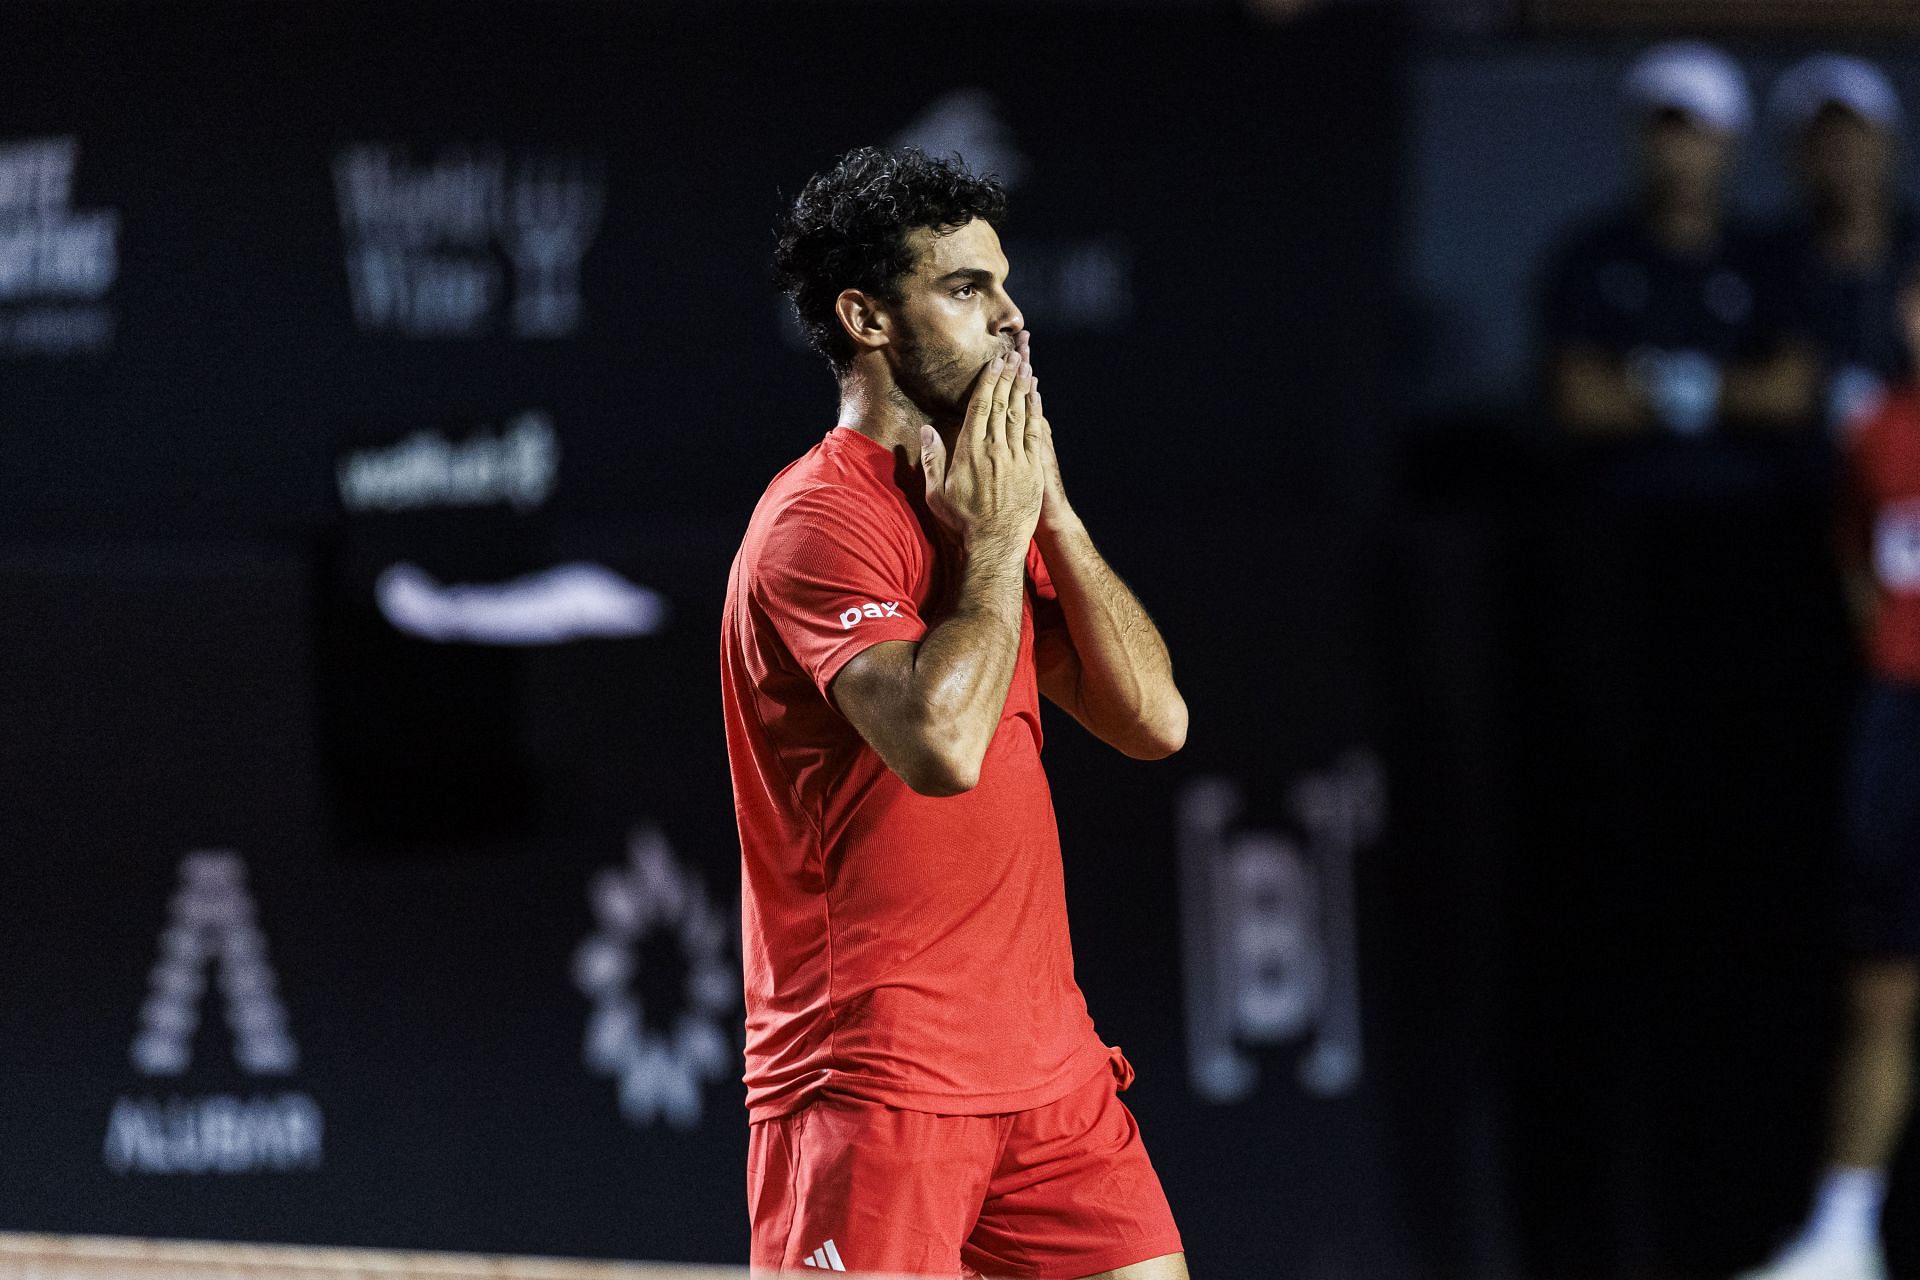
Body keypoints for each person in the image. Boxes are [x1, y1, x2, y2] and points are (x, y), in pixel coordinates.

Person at [720, 146, 1190, 1280]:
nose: (1012, 318)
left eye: (1005, 283)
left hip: (1051, 1073)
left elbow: (1154, 721)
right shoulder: (817, 523)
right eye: (968, 288)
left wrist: (1052, 516)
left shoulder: (987, 495)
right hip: (875, 1082)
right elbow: (941, 744)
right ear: (866, 318)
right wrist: (991, 547)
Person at [1736, 264, 1920, 1280]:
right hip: (1896, 722)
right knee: (1882, 984)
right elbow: (1857, 573)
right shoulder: (1878, 432)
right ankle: (1844, 1230)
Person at [1542, 41, 1817, 442]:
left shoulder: (1769, 258)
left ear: (1730, 142)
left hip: (1746, 493)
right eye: (1661, 132)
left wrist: (1659, 390)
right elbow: (1577, 398)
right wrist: (1720, 392)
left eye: (1695, 133)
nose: (1676, 152)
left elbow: (1790, 392)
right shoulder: (1590, 255)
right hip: (1620, 489)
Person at [1763, 54, 1916, 435]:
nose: (1840, 152)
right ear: (1796, 155)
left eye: (1854, 134)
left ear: (1889, 144)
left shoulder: (1915, 250)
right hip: (1796, 474)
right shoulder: (1765, 261)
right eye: (1821, 139)